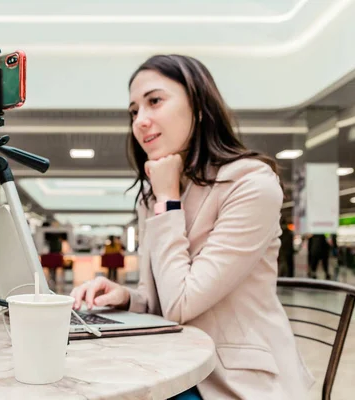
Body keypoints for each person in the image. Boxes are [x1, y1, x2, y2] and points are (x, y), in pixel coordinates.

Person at [70, 55, 314, 399]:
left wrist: (167, 199)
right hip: (173, 363)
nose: (141, 120)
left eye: (154, 101)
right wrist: (126, 298)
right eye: (133, 111)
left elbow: (181, 304)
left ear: (199, 106)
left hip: (234, 380)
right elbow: (159, 301)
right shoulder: (154, 195)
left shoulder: (250, 183)